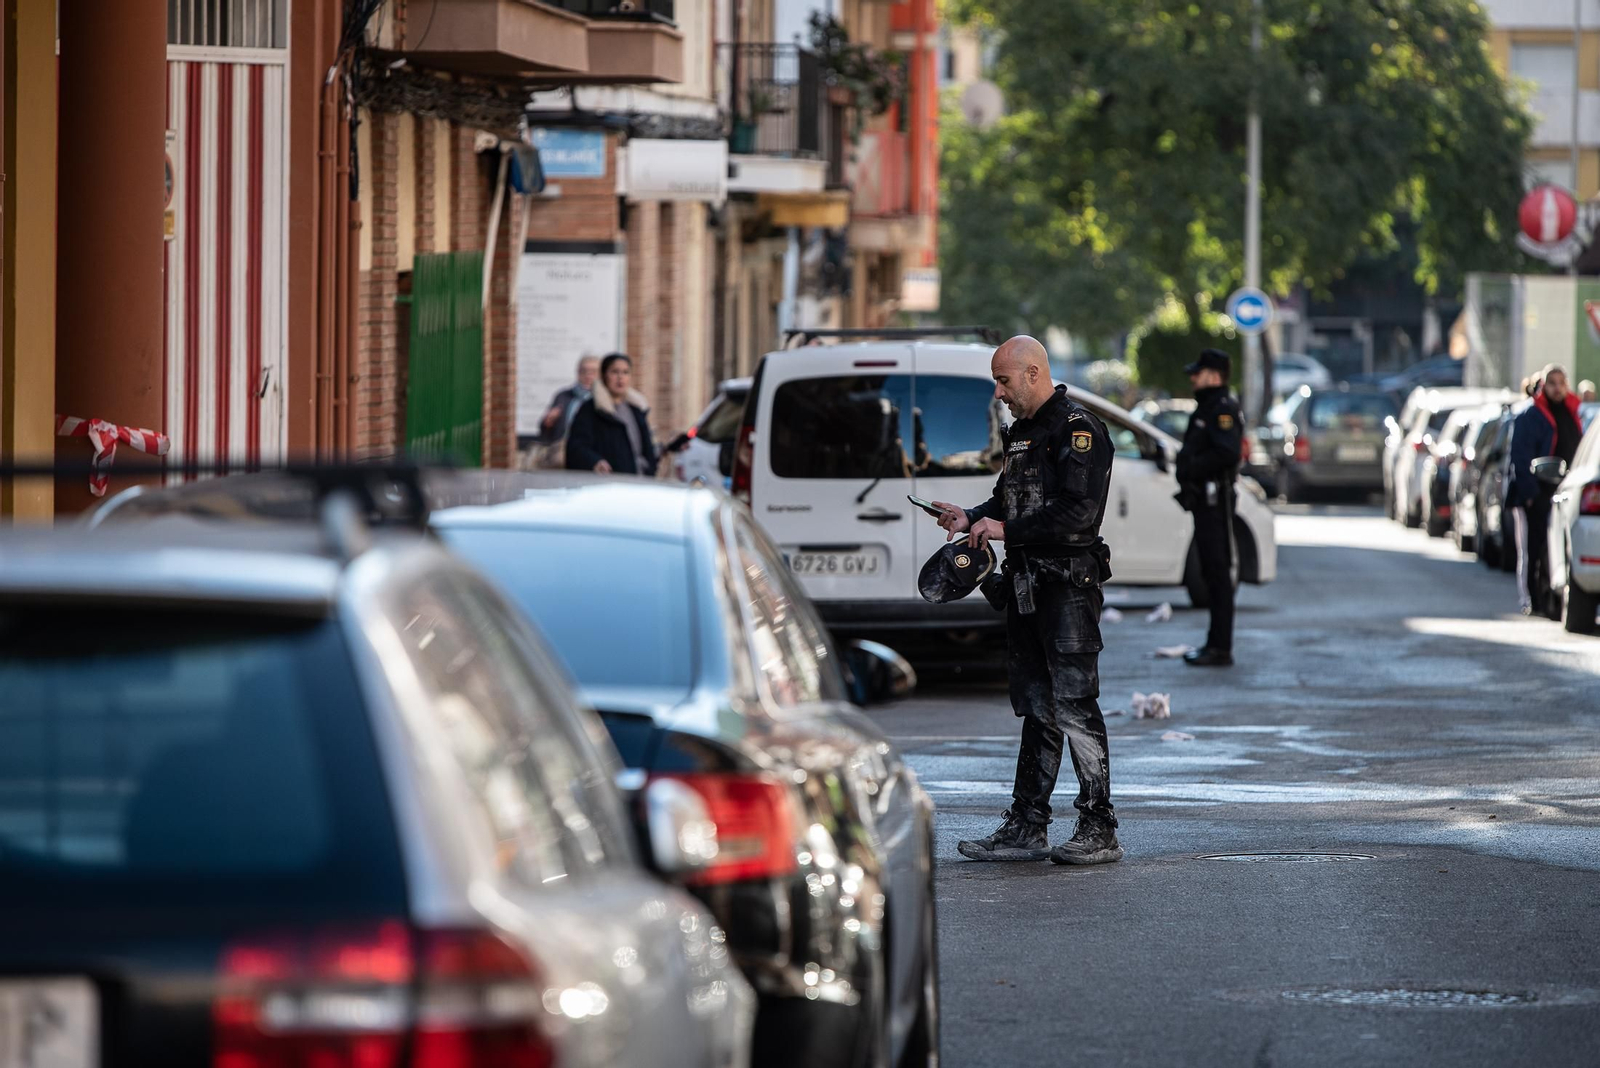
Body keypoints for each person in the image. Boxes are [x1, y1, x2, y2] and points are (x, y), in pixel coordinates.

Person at [930, 335, 1122, 866]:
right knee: (1038, 707)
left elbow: (1078, 512)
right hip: (1027, 587)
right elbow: (1006, 499)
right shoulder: (1023, 434)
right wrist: (970, 518)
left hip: (1068, 589)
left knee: (1075, 705)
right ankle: (1027, 826)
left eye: (1004, 381)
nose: (999, 392)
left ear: (1033, 373)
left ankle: (1099, 826)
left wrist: (1004, 529)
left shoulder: (1079, 430)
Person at [1174, 348, 1244, 668]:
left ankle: (1220, 647)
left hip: (1216, 502)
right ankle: (1215, 643)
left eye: (1198, 373)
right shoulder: (1209, 407)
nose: (1192, 378)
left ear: (1214, 376)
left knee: (1218, 573)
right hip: (1204, 502)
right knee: (1210, 572)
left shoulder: (1222, 408)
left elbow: (1227, 453)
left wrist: (1192, 468)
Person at [1508, 364, 1582, 615]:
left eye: (1562, 383)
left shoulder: (1572, 412)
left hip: (1566, 493)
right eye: (1552, 383)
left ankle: (1555, 598)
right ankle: (1532, 598)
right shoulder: (1531, 416)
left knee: (1557, 549)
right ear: (1543, 386)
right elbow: (1520, 458)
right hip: (1537, 493)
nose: (1557, 388)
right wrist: (1530, 495)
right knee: (1533, 549)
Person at [564, 353, 659, 476]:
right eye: (615, 372)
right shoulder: (591, 410)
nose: (620, 377)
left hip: (638, 480)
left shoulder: (636, 410)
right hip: (607, 481)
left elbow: (647, 451)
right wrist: (595, 461)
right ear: (604, 375)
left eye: (625, 372)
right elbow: (577, 446)